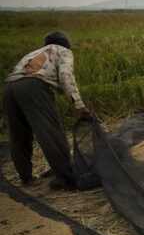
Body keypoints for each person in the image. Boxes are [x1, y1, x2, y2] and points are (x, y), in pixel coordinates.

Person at [2, 31, 93, 190]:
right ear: (67, 43)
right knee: (51, 134)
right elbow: (65, 76)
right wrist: (79, 105)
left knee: (18, 134)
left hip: (8, 87)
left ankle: (26, 178)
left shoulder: (34, 53)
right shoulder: (63, 51)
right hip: (34, 87)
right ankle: (66, 179)